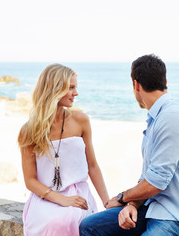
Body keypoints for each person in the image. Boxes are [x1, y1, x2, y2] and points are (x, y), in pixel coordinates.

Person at [79, 54, 179, 236]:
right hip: (156, 208)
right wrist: (132, 205)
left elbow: (155, 183)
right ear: (165, 81)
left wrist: (121, 198)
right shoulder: (157, 119)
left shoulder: (171, 117)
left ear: (136, 85)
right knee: (90, 227)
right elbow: (149, 176)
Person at [18, 64, 110, 236]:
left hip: (79, 195)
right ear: (54, 89)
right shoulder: (29, 131)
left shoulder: (81, 120)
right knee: (58, 222)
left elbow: (92, 165)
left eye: (76, 87)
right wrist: (62, 199)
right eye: (71, 88)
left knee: (74, 218)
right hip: (46, 198)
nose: (76, 93)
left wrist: (107, 202)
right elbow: (30, 180)